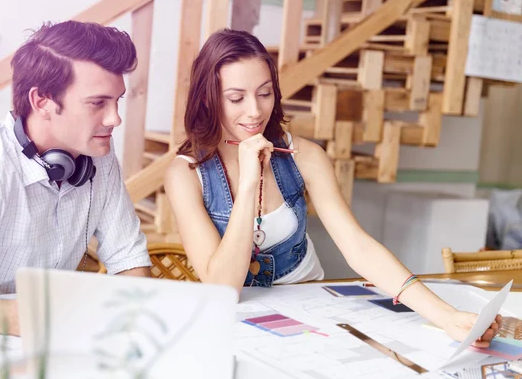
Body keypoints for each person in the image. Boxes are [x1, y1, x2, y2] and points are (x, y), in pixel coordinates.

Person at [164, 28, 500, 346]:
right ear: (208, 100)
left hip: (308, 302)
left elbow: (357, 246)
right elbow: (223, 288)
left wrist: (448, 316)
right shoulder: (186, 175)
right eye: (236, 98)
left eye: (265, 93)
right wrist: (250, 182)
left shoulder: (304, 156)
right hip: (237, 316)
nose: (255, 111)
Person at [0, 21, 151, 336]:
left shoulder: (100, 158)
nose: (115, 119)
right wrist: (18, 319)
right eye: (98, 103)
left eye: (117, 101)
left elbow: (129, 262)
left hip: (58, 341)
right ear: (42, 101)